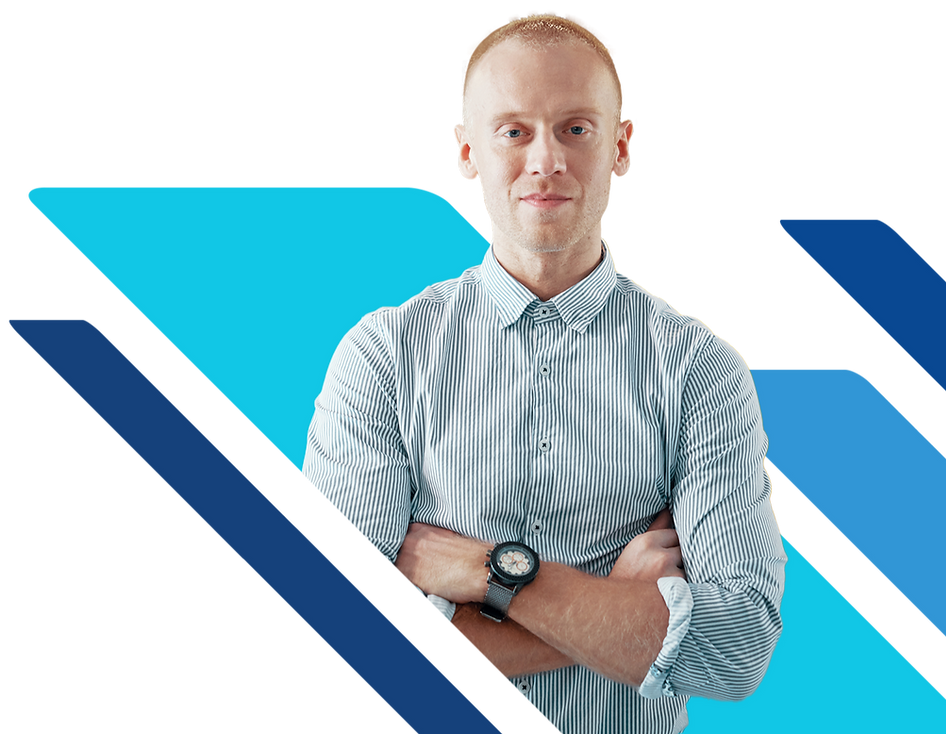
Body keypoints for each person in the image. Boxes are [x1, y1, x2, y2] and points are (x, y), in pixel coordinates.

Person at [301, 9, 786, 733]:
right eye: (514, 131)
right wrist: (616, 610)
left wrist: (490, 573)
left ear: (621, 146)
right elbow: (338, 629)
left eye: (576, 129)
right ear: (466, 151)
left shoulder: (700, 372)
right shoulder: (385, 355)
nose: (546, 161)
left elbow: (735, 651)